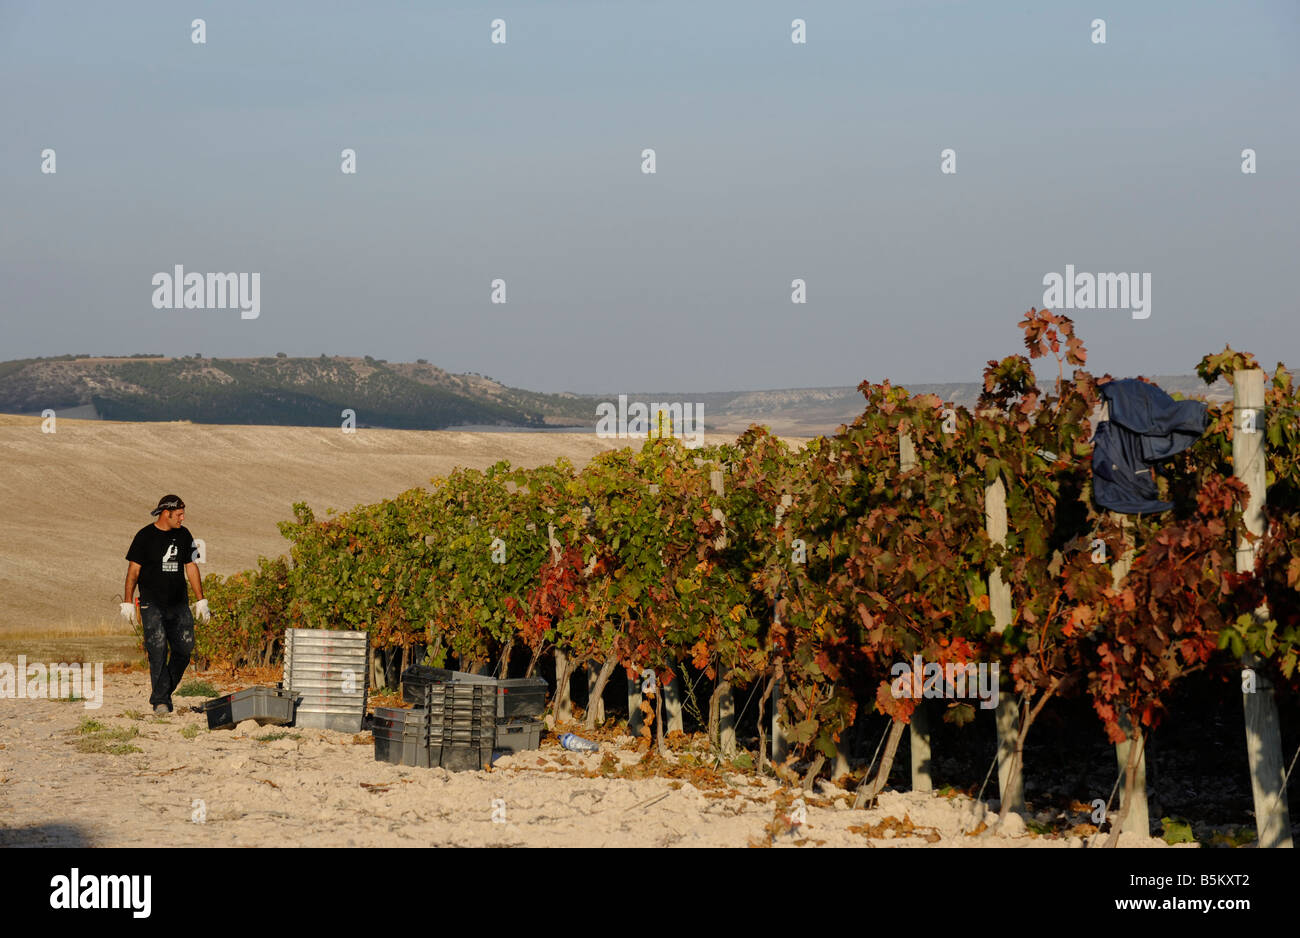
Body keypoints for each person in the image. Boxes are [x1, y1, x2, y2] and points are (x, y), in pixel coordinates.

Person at [121, 495, 210, 714]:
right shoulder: (144, 536)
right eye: (179, 514)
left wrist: (201, 600)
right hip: (152, 604)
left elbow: (191, 567)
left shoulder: (184, 534)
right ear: (166, 513)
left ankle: (160, 694)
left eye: (183, 513)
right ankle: (161, 702)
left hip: (179, 603)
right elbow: (133, 571)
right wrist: (128, 602)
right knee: (158, 649)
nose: (182, 518)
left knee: (185, 650)